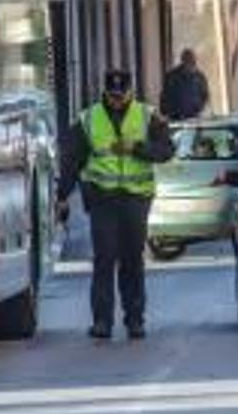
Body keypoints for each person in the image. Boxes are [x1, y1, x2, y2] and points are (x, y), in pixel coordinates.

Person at [57, 69, 175, 340]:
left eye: (122, 96)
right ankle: (102, 322)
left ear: (130, 92)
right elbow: (72, 159)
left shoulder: (148, 116)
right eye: (112, 96)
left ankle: (135, 320)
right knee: (104, 258)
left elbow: (167, 150)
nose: (117, 101)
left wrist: (137, 148)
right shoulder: (88, 119)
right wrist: (61, 195)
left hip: (136, 198)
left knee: (133, 259)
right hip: (102, 198)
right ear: (105, 93)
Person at [160, 49, 210, 121]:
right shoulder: (172, 77)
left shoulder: (199, 77)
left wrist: (199, 108)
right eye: (188, 61)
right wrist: (166, 112)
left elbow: (205, 95)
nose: (190, 63)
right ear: (183, 61)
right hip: (176, 117)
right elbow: (164, 96)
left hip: (194, 117)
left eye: (192, 61)